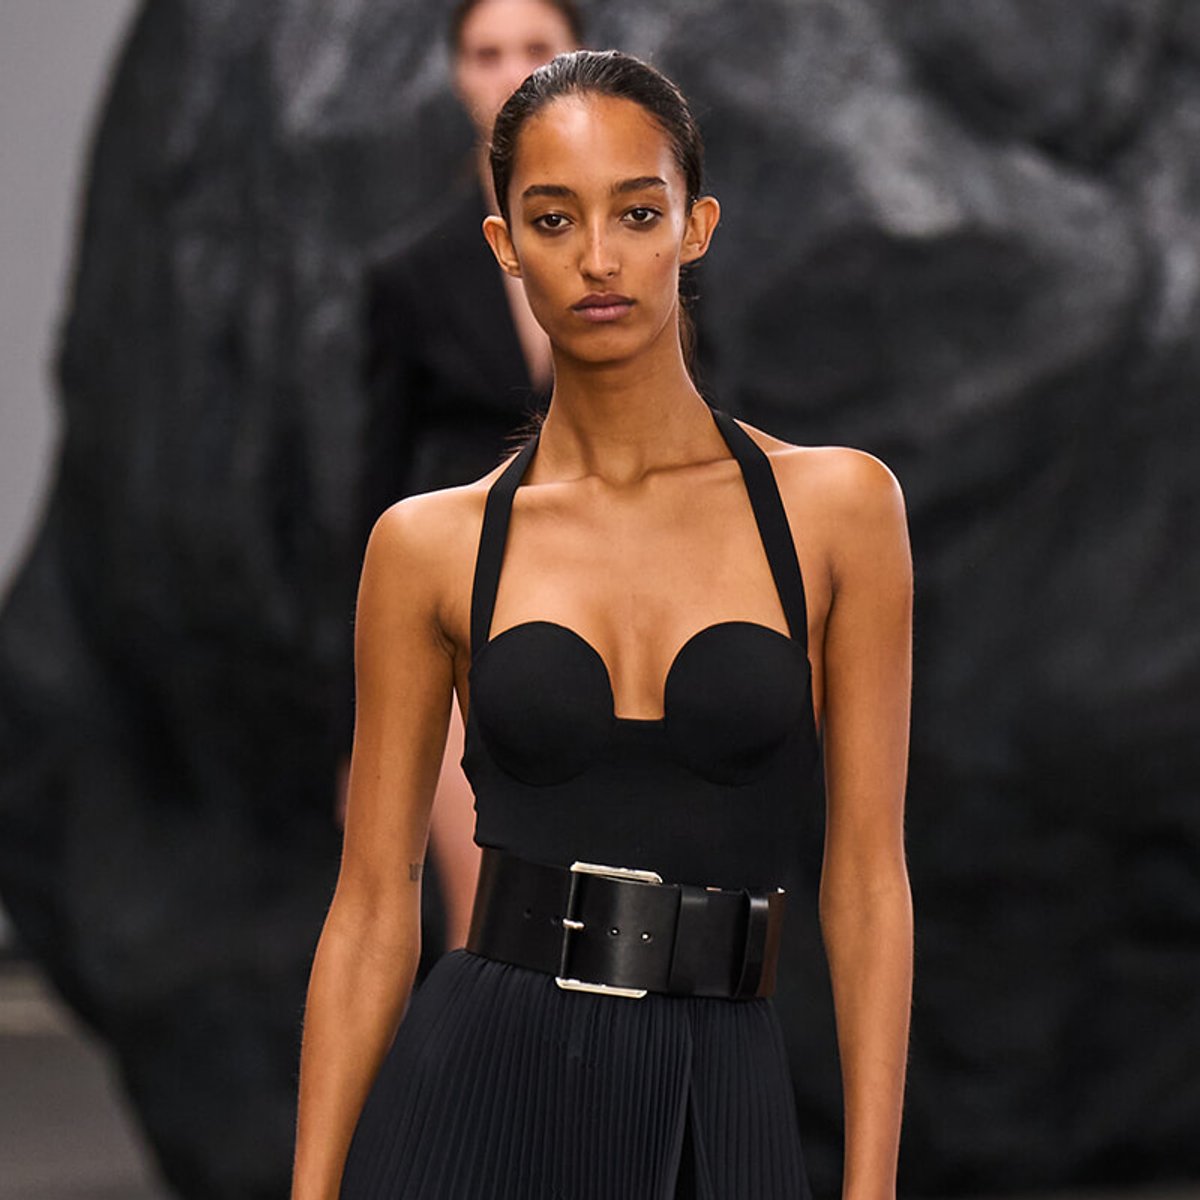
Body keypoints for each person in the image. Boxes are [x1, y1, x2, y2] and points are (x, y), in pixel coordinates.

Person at [296, 49, 913, 1200]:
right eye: (552, 219)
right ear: (504, 245)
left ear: (695, 227)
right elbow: (373, 909)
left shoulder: (838, 511)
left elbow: (870, 880)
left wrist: (871, 1186)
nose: (596, 257)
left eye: (636, 212)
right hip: (476, 1100)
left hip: (721, 1098)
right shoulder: (430, 545)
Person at [346, 0, 584, 962]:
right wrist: (362, 717)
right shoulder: (412, 273)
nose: (512, 73)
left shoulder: (642, 262)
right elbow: (376, 485)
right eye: (487, 53)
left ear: (581, 56)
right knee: (488, 917)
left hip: (617, 604)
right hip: (460, 623)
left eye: (536, 48)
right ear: (454, 74)